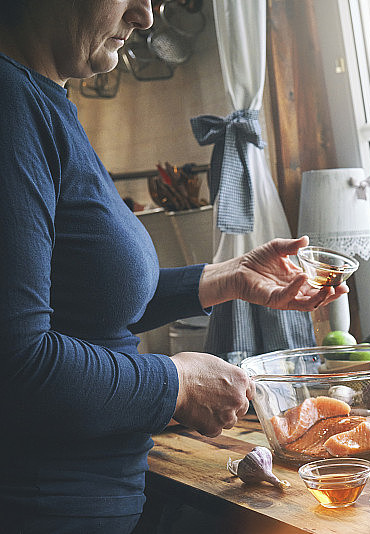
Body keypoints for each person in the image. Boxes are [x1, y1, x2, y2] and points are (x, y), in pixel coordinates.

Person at [0, 1, 348, 532]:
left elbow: (78, 303)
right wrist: (176, 383)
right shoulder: (10, 107)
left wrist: (224, 278)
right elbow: (16, 366)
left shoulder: (44, 99)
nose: (145, 16)